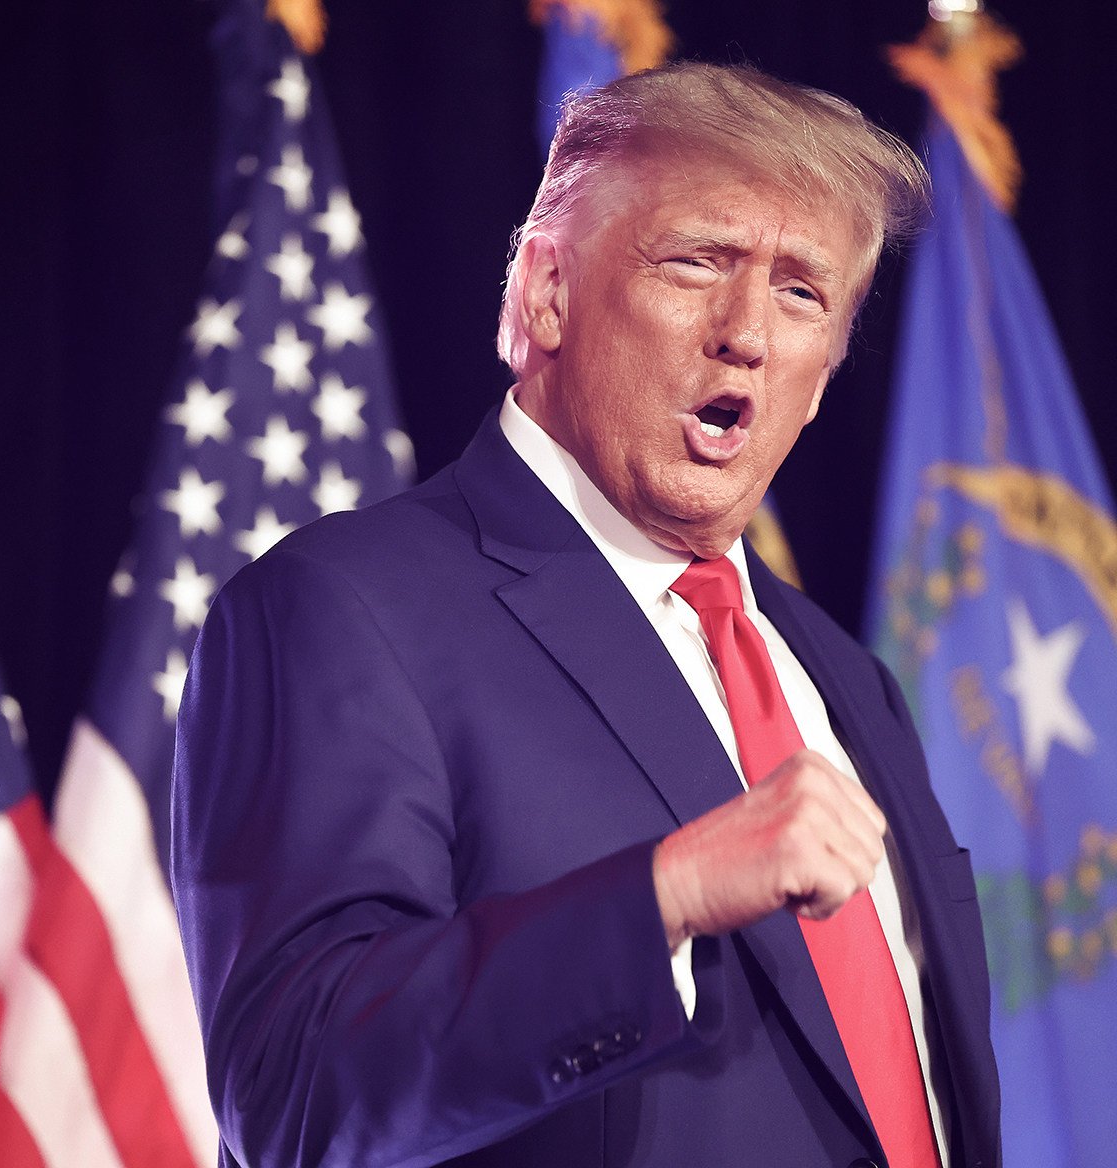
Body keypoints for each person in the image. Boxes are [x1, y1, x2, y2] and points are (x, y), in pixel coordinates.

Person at [172, 62, 1001, 1168]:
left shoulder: (843, 675)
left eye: (801, 291)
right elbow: (290, 1094)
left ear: (825, 372)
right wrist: (665, 893)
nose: (746, 332)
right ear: (545, 292)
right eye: (697, 261)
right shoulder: (343, 609)